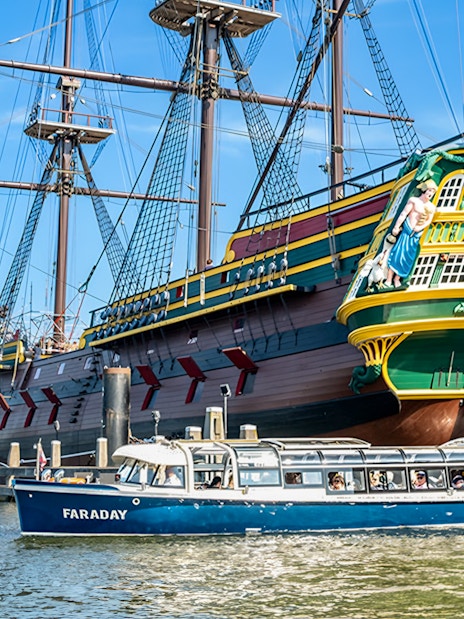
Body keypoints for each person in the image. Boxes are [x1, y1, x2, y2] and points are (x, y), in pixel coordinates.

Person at [385, 179, 437, 288]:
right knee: (397, 253)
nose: (431, 193)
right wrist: (396, 227)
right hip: (406, 231)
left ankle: (397, 278)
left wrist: (420, 228)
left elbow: (428, 221)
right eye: (429, 190)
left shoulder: (432, 207)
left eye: (433, 192)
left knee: (407, 257)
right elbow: (403, 214)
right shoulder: (414, 201)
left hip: (416, 234)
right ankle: (389, 278)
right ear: (424, 190)